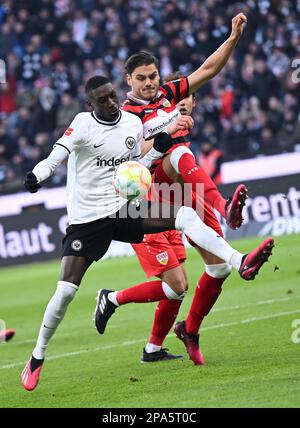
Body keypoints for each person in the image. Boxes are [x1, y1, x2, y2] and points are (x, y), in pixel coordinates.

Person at [22, 76, 273, 390]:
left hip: (124, 209)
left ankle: (240, 262)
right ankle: (37, 356)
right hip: (87, 221)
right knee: (66, 292)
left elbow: (139, 162)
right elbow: (56, 156)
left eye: (112, 96)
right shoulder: (82, 124)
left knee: (183, 215)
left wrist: (159, 150)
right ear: (91, 104)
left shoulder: (129, 124)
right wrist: (37, 175)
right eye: (103, 100)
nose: (111, 102)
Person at [118, 13, 251, 365]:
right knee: (176, 147)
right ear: (128, 80)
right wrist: (167, 126)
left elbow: (207, 70)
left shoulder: (167, 92)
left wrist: (233, 37)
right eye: (142, 78)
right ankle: (224, 206)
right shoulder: (125, 115)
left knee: (218, 268)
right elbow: (134, 155)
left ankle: (189, 330)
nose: (149, 84)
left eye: (153, 77)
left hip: (188, 185)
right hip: (161, 189)